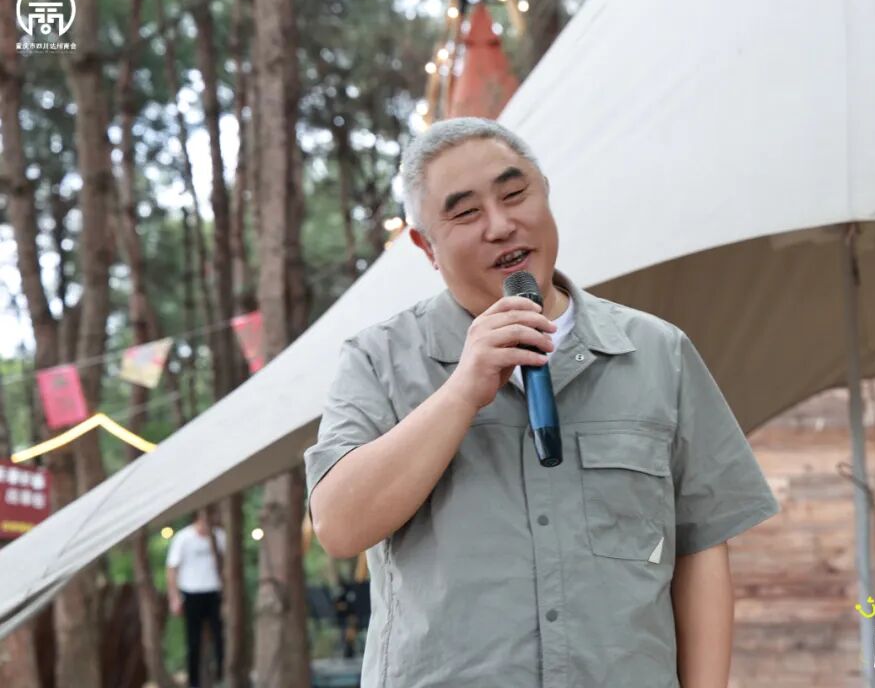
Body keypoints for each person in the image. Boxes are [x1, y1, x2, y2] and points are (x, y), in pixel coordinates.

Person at [305, 117, 781, 688]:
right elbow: (339, 527)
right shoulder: (379, 359)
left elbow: (700, 548)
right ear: (425, 245)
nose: (501, 225)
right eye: (466, 213)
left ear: (546, 194)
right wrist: (463, 390)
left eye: (514, 195)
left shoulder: (659, 353)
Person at [166, 507, 225, 688]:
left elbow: (227, 563)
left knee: (219, 636)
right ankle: (194, 682)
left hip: (213, 591)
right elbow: (171, 568)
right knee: (193, 640)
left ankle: (221, 675)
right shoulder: (183, 538)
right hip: (191, 593)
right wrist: (174, 597)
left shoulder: (219, 536)